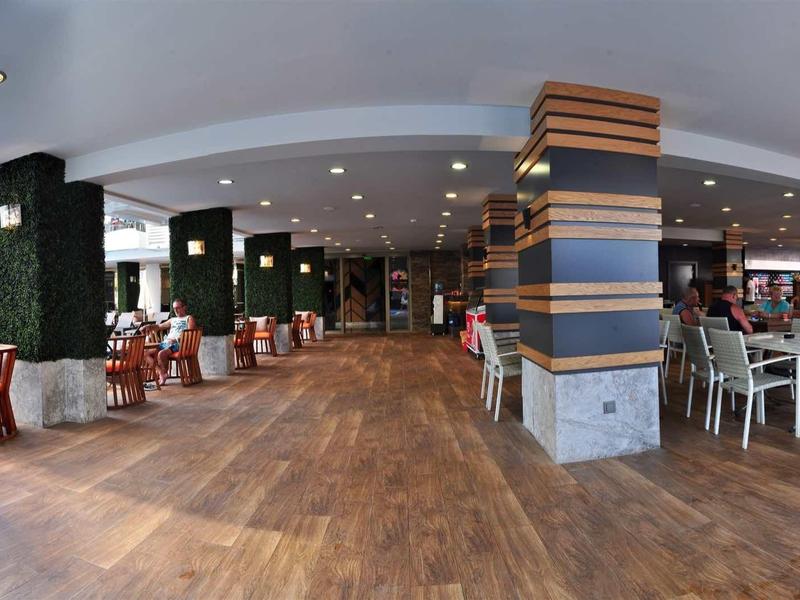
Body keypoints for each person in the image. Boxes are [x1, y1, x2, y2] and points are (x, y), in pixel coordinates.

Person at [143, 297, 196, 386]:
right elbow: (159, 326)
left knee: (161, 354)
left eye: (178, 308)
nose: (176, 310)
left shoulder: (189, 318)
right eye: (174, 308)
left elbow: (190, 333)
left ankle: (163, 374)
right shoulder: (172, 320)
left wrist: (176, 339)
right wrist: (149, 326)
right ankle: (161, 373)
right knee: (145, 353)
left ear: (184, 307)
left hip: (179, 344)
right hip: (166, 343)